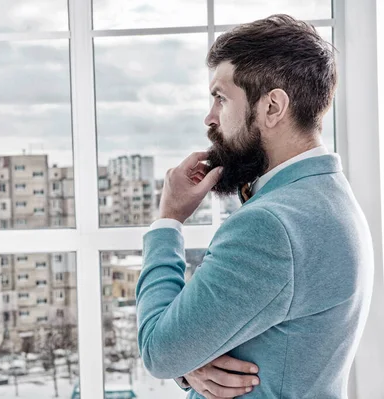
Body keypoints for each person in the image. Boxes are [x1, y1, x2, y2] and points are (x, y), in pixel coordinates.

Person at [135, 14, 373, 399]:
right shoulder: (327, 196)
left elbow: (158, 351)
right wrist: (190, 361)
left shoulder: (271, 225)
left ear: (273, 107)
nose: (209, 118)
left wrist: (167, 221)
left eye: (221, 98)